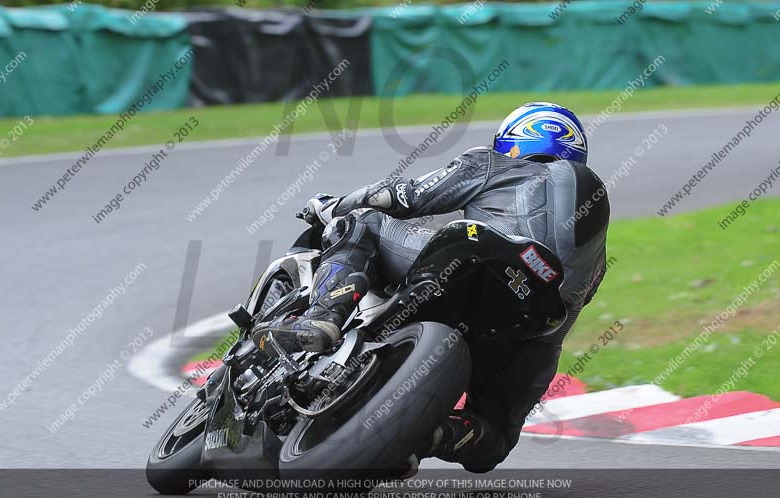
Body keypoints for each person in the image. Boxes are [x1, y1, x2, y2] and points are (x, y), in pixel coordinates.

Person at [252, 102, 610, 472]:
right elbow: (574, 305)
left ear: (513, 139)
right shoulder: (598, 234)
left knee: (362, 222)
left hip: (474, 254)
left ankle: (323, 317)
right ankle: (432, 436)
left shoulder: (492, 162)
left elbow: (401, 197)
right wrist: (536, 353)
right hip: (536, 321)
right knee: (496, 438)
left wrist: (332, 206)